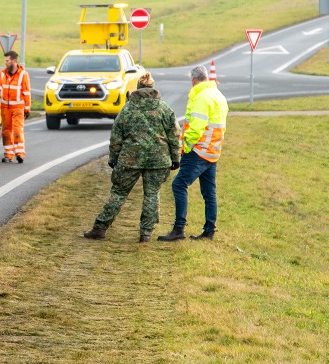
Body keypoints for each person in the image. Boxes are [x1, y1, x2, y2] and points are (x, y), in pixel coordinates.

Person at [83, 72, 180, 243]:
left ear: (138, 88)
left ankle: (100, 228)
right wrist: (175, 158)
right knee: (152, 194)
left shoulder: (127, 109)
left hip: (130, 159)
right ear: (153, 88)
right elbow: (174, 136)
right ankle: (146, 233)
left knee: (119, 193)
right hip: (158, 159)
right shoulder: (164, 109)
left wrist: (113, 158)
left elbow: (116, 137)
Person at [158, 64, 228, 242]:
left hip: (198, 150)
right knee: (209, 192)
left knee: (179, 185)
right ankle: (209, 230)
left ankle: (179, 228)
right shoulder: (217, 95)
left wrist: (186, 147)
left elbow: (196, 127)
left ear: (193, 80)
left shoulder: (201, 98)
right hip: (213, 151)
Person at [0, 50, 31, 163]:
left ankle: (20, 153)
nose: (6, 63)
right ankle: (8, 155)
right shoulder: (2, 73)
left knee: (17, 130)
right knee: (6, 131)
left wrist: (27, 108)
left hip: (18, 107)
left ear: (14, 60)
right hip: (5, 107)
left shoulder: (23, 74)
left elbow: (26, 92)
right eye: (5, 61)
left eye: (8, 61)